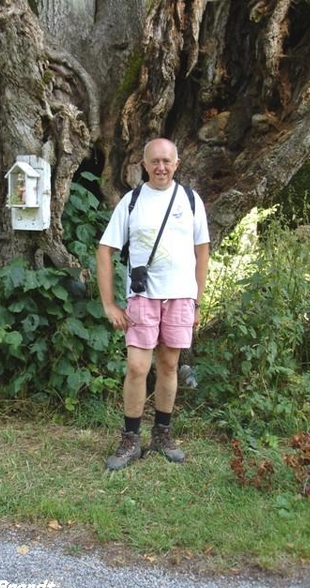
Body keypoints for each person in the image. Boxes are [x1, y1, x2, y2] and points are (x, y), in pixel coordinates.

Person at [96, 138, 210, 470]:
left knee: (169, 366)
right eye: (154, 161)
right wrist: (109, 305)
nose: (161, 166)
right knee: (136, 367)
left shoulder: (190, 200)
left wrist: (197, 302)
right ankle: (131, 440)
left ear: (177, 163)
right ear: (143, 165)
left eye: (167, 160)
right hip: (142, 296)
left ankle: (162, 434)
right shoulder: (131, 203)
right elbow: (105, 251)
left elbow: (201, 252)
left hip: (180, 296)